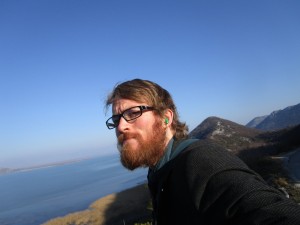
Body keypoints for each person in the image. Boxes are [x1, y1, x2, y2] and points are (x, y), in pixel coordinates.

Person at [105, 78, 300, 225]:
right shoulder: (159, 169)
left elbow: (275, 212)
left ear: (166, 118)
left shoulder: (201, 161)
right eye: (116, 119)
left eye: (133, 113)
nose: (121, 126)